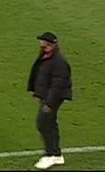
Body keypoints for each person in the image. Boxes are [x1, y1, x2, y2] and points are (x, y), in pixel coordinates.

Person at [27, 32, 72, 170]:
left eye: (43, 42)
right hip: (46, 96)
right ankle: (56, 154)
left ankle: (51, 154)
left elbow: (58, 86)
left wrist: (49, 103)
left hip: (52, 98)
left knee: (44, 123)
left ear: (50, 44)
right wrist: (35, 91)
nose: (41, 44)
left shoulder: (58, 62)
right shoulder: (45, 56)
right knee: (49, 123)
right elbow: (38, 73)